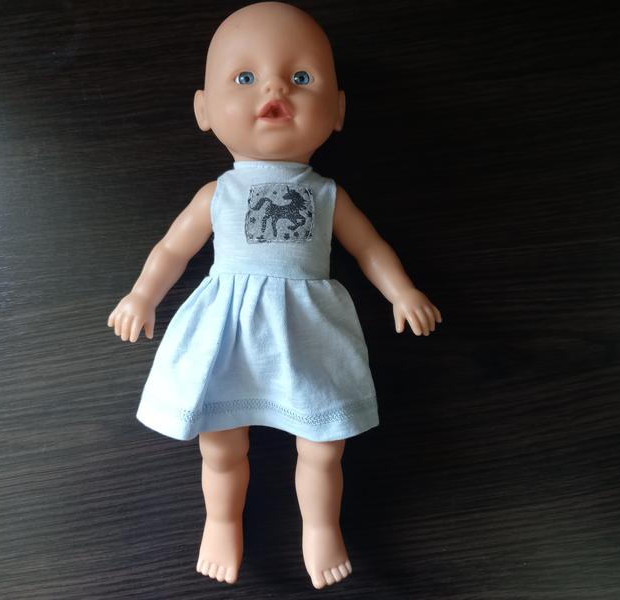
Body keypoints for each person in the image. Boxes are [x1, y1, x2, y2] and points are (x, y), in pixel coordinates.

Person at [107, 1, 443, 589]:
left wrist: (402, 290)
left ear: (337, 111)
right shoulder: (218, 193)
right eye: (245, 77)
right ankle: (220, 521)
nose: (275, 88)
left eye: (302, 77)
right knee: (219, 445)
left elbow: (369, 248)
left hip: (308, 330)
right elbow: (172, 250)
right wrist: (141, 295)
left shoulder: (327, 194)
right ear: (204, 110)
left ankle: (321, 527)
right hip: (227, 329)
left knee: (324, 445)